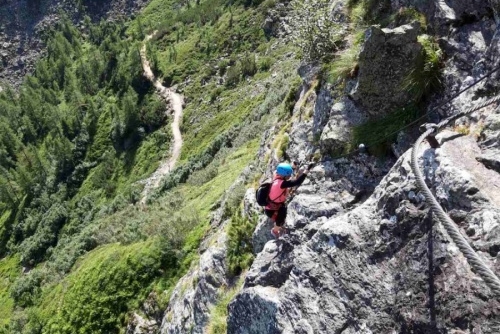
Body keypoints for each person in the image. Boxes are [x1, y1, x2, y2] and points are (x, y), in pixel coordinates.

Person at [265, 162, 309, 238]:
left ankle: (279, 227)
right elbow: (297, 182)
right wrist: (307, 170)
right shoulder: (282, 184)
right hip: (274, 209)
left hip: (271, 206)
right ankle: (275, 231)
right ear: (284, 175)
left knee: (281, 217)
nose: (289, 177)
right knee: (281, 219)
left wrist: (292, 167)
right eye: (288, 175)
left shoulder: (277, 175)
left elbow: (284, 171)